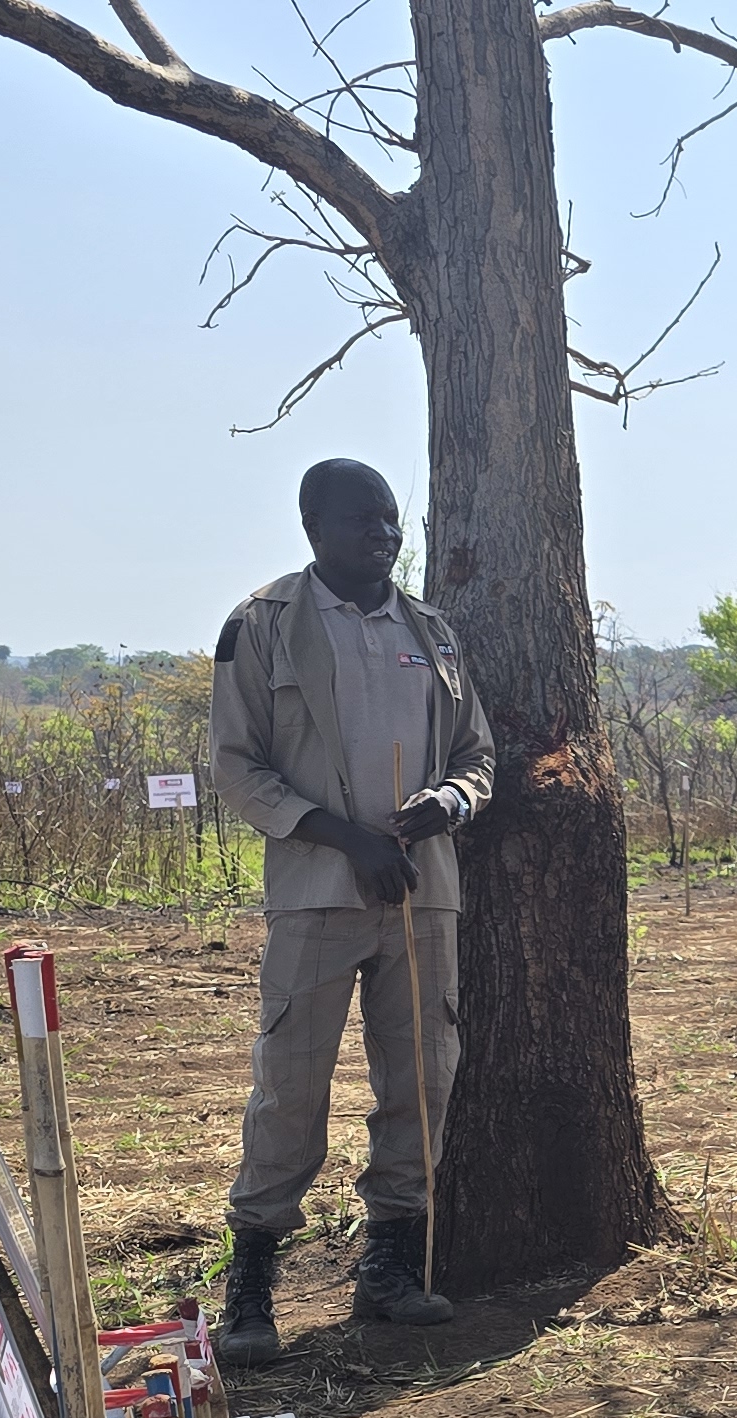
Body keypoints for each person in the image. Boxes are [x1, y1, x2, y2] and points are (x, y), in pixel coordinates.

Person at [203, 458, 499, 1366]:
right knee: (291, 1088)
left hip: (422, 897)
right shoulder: (263, 627)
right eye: (363, 520)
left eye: (392, 520)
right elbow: (238, 768)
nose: (385, 535)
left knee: (422, 1080)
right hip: (316, 897)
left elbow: (476, 754)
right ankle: (252, 1288)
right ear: (312, 526)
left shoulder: (434, 632)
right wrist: (344, 837)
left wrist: (449, 804)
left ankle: (391, 1269)